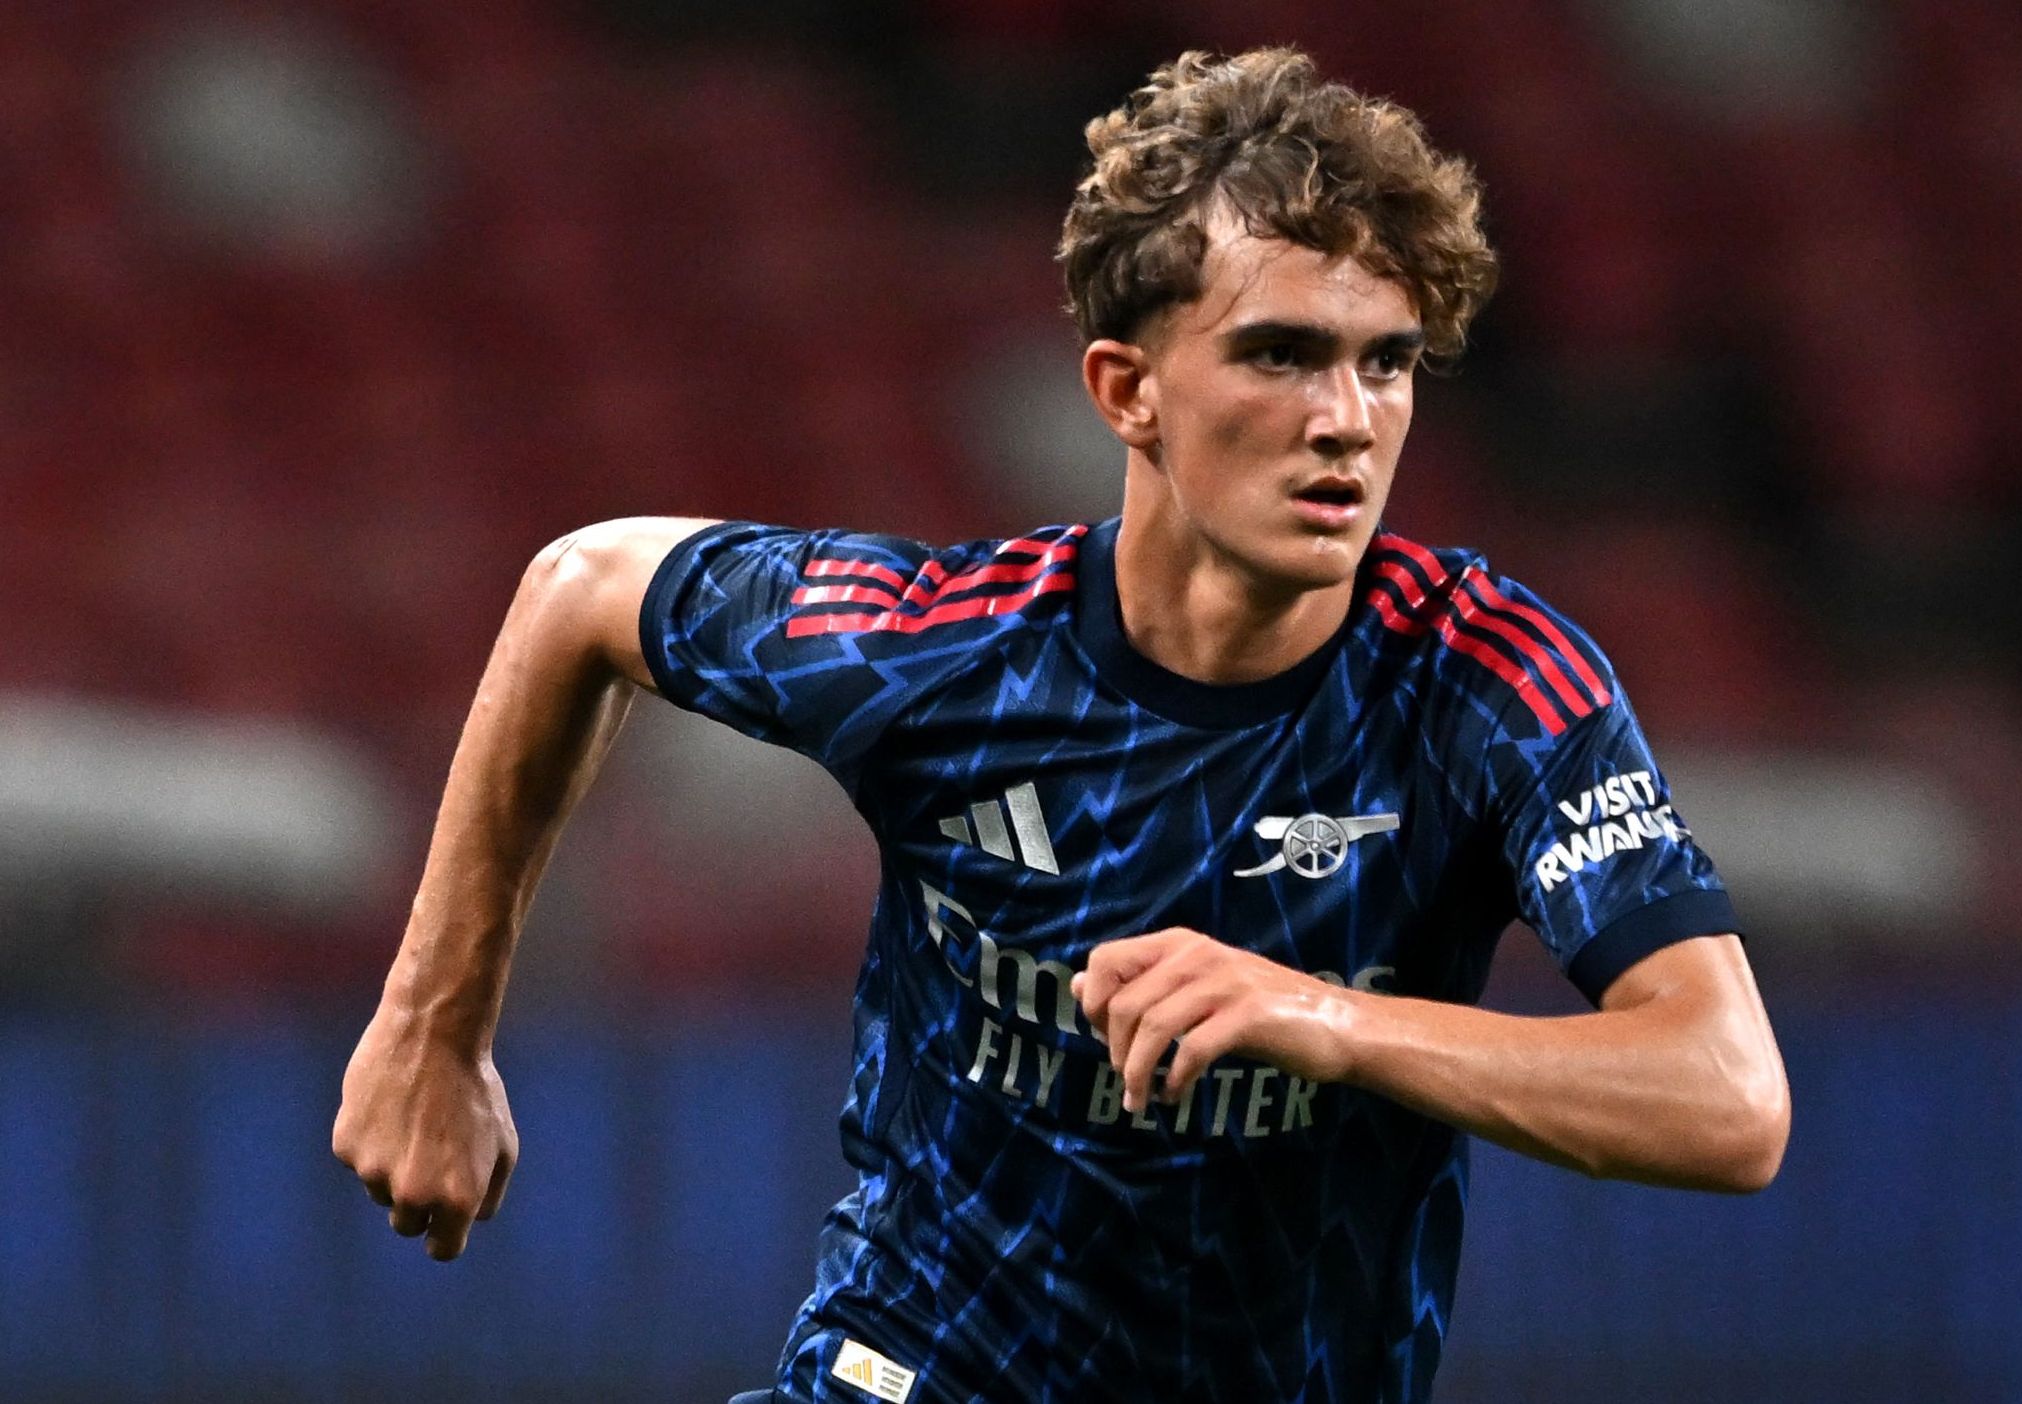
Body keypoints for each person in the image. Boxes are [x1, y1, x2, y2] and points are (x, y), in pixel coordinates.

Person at [332, 46, 1789, 1403]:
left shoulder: (1487, 682)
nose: (1347, 417)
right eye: (1281, 353)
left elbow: (1725, 1098)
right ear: (1126, 390)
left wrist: (1325, 1019)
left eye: (1388, 360)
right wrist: (430, 1030)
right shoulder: (949, 653)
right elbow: (582, 591)